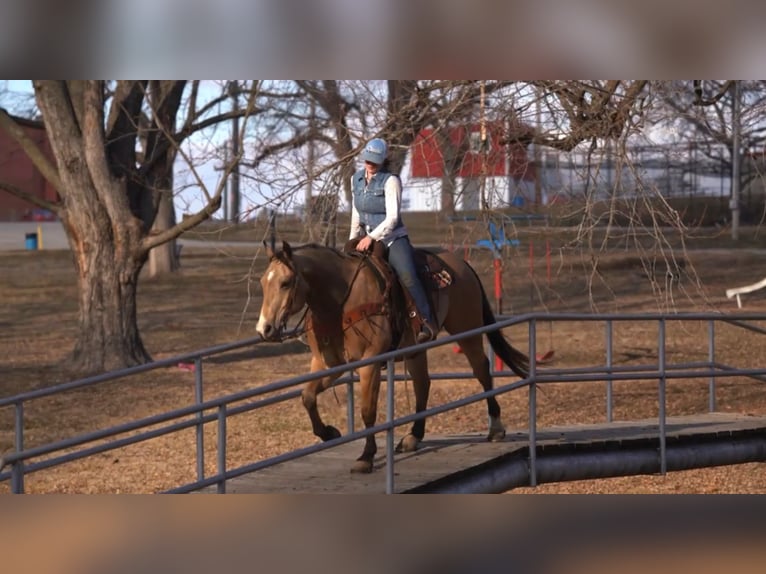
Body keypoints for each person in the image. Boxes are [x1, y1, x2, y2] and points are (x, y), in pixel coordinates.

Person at [349, 137, 437, 344]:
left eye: (374, 161)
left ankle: (426, 321)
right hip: (366, 237)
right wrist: (353, 239)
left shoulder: (391, 181)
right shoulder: (356, 179)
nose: (369, 164)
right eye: (367, 160)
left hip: (392, 238)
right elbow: (356, 211)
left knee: (407, 274)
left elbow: (393, 218)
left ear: (382, 160)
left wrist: (371, 238)